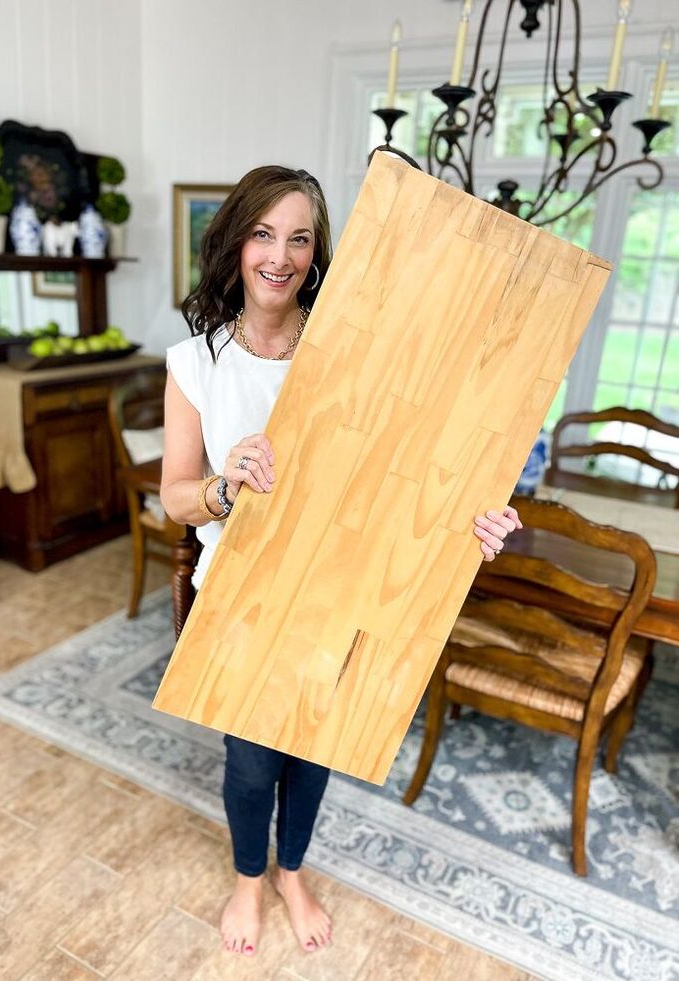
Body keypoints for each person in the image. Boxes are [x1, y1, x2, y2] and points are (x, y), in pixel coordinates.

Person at [160, 165, 522, 958]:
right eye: (262, 234)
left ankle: (293, 871)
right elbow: (175, 499)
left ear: (318, 251)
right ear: (235, 243)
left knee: (314, 751)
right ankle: (250, 879)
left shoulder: (352, 342)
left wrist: (474, 518)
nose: (279, 255)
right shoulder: (195, 363)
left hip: (342, 588)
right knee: (253, 761)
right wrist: (225, 485)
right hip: (244, 593)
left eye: (299, 237)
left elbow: (414, 460)